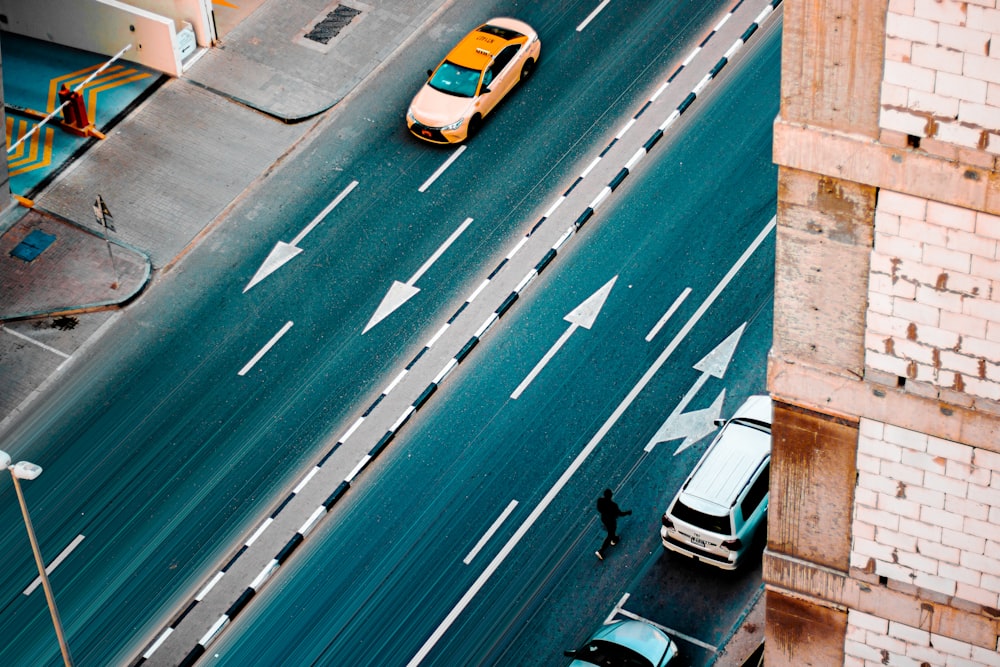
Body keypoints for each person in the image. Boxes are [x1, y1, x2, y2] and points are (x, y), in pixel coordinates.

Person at [595, 488, 631, 560]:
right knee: (611, 533)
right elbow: (620, 513)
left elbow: (599, 508)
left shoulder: (600, 500)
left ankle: (614, 538)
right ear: (610, 495)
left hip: (604, 519)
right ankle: (601, 551)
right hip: (611, 520)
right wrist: (627, 512)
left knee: (611, 531)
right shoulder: (613, 505)